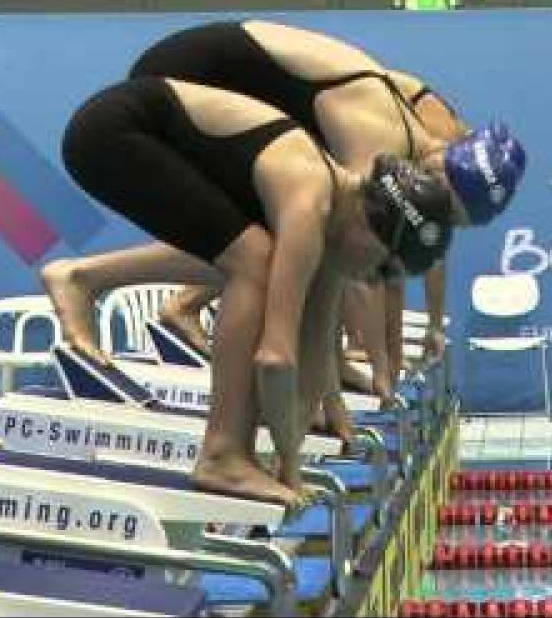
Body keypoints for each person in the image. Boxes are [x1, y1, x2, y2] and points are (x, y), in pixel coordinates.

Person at [57, 21, 523, 404]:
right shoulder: (380, 138)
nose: (437, 218)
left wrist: (384, 364)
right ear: (440, 169)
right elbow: (350, 265)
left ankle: (122, 288)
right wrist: (380, 376)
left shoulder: (418, 148)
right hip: (177, 83)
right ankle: (89, 279)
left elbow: (390, 269)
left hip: (202, 83)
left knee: (277, 244)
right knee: (281, 249)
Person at [54, 75, 453, 506]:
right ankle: (223, 454)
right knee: (254, 261)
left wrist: (290, 465)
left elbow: (317, 349)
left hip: (149, 121)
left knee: (252, 254)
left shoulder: (339, 217)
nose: (373, 280)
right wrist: (288, 466)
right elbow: (276, 359)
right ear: (371, 231)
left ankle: (85, 278)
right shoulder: (311, 202)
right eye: (382, 268)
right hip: (113, 131)